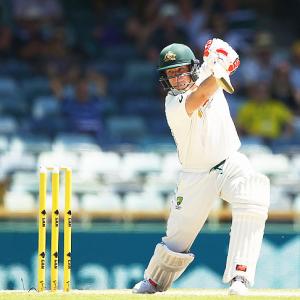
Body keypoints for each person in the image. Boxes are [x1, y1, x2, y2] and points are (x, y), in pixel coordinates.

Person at [132, 39, 270, 296]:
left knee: (254, 192)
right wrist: (221, 68)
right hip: (196, 174)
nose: (176, 78)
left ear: (192, 68)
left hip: (229, 160)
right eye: (170, 74)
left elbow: (213, 74)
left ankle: (240, 276)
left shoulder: (208, 72)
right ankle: (153, 281)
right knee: (177, 239)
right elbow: (202, 94)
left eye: (180, 70)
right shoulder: (173, 104)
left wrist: (219, 64)